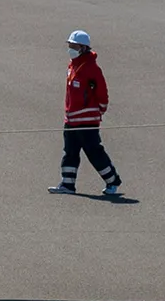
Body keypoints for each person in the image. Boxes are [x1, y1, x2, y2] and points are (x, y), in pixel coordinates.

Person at [52, 28, 124, 198]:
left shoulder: (91, 68)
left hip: (86, 121)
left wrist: (100, 109)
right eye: (70, 45)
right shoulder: (73, 65)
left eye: (74, 46)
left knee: (94, 152)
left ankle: (112, 181)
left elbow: (102, 92)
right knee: (70, 152)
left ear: (83, 48)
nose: (71, 49)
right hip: (71, 119)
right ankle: (67, 184)